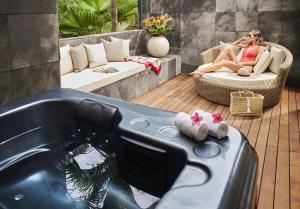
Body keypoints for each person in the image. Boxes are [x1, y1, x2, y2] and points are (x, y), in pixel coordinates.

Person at [190, 30, 264, 76]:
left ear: (256, 37)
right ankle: (212, 66)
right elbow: (234, 44)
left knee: (224, 62)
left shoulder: (260, 48)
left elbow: (255, 62)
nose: (248, 37)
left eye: (250, 35)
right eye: (248, 35)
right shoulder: (247, 45)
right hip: (239, 63)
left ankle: (201, 71)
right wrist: (242, 38)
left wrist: (243, 63)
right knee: (227, 49)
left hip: (246, 67)